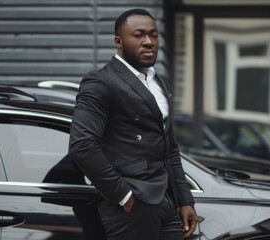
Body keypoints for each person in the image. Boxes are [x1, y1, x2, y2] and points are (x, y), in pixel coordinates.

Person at [68, 8, 198, 240]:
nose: (149, 42)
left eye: (154, 35)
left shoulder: (161, 83)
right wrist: (123, 195)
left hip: (167, 204)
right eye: (138, 35)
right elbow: (83, 146)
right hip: (131, 207)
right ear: (119, 41)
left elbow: (170, 149)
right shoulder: (101, 82)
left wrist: (184, 199)